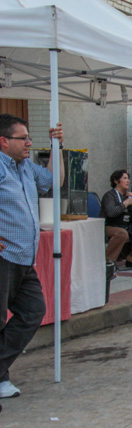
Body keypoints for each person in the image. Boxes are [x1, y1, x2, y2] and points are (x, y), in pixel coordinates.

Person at [0, 114, 64, 399]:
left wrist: (56, 146)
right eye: (22, 138)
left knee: (33, 310)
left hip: (24, 257)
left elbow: (53, 181)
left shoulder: (25, 167)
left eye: (28, 137)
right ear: (3, 141)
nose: (28, 142)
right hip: (5, 256)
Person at [100, 169, 132, 268]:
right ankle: (108, 260)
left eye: (128, 179)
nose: (127, 181)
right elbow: (110, 213)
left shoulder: (127, 196)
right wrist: (125, 204)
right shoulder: (110, 196)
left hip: (125, 225)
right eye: (124, 178)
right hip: (109, 225)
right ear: (116, 181)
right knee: (122, 234)